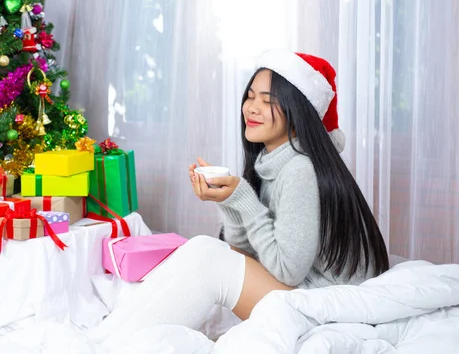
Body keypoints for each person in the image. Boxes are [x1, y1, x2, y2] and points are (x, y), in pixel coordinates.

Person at [88, 51, 389, 347]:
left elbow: (286, 271)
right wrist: (231, 201)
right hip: (307, 290)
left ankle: (116, 346)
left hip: (328, 305)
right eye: (250, 96)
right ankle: (106, 339)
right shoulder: (275, 163)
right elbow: (243, 254)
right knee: (205, 248)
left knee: (210, 261)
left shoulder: (300, 170)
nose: (252, 108)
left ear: (298, 115)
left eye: (268, 101)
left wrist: (242, 196)